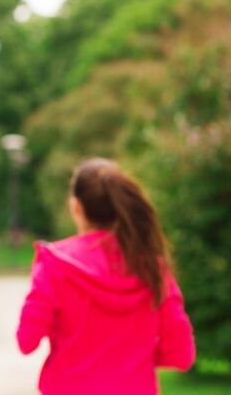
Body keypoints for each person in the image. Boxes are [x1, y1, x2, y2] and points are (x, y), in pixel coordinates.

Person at [16, 158, 196, 395]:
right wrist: (135, 360)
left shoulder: (54, 264)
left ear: (76, 207)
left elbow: (26, 340)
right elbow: (181, 355)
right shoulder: (151, 266)